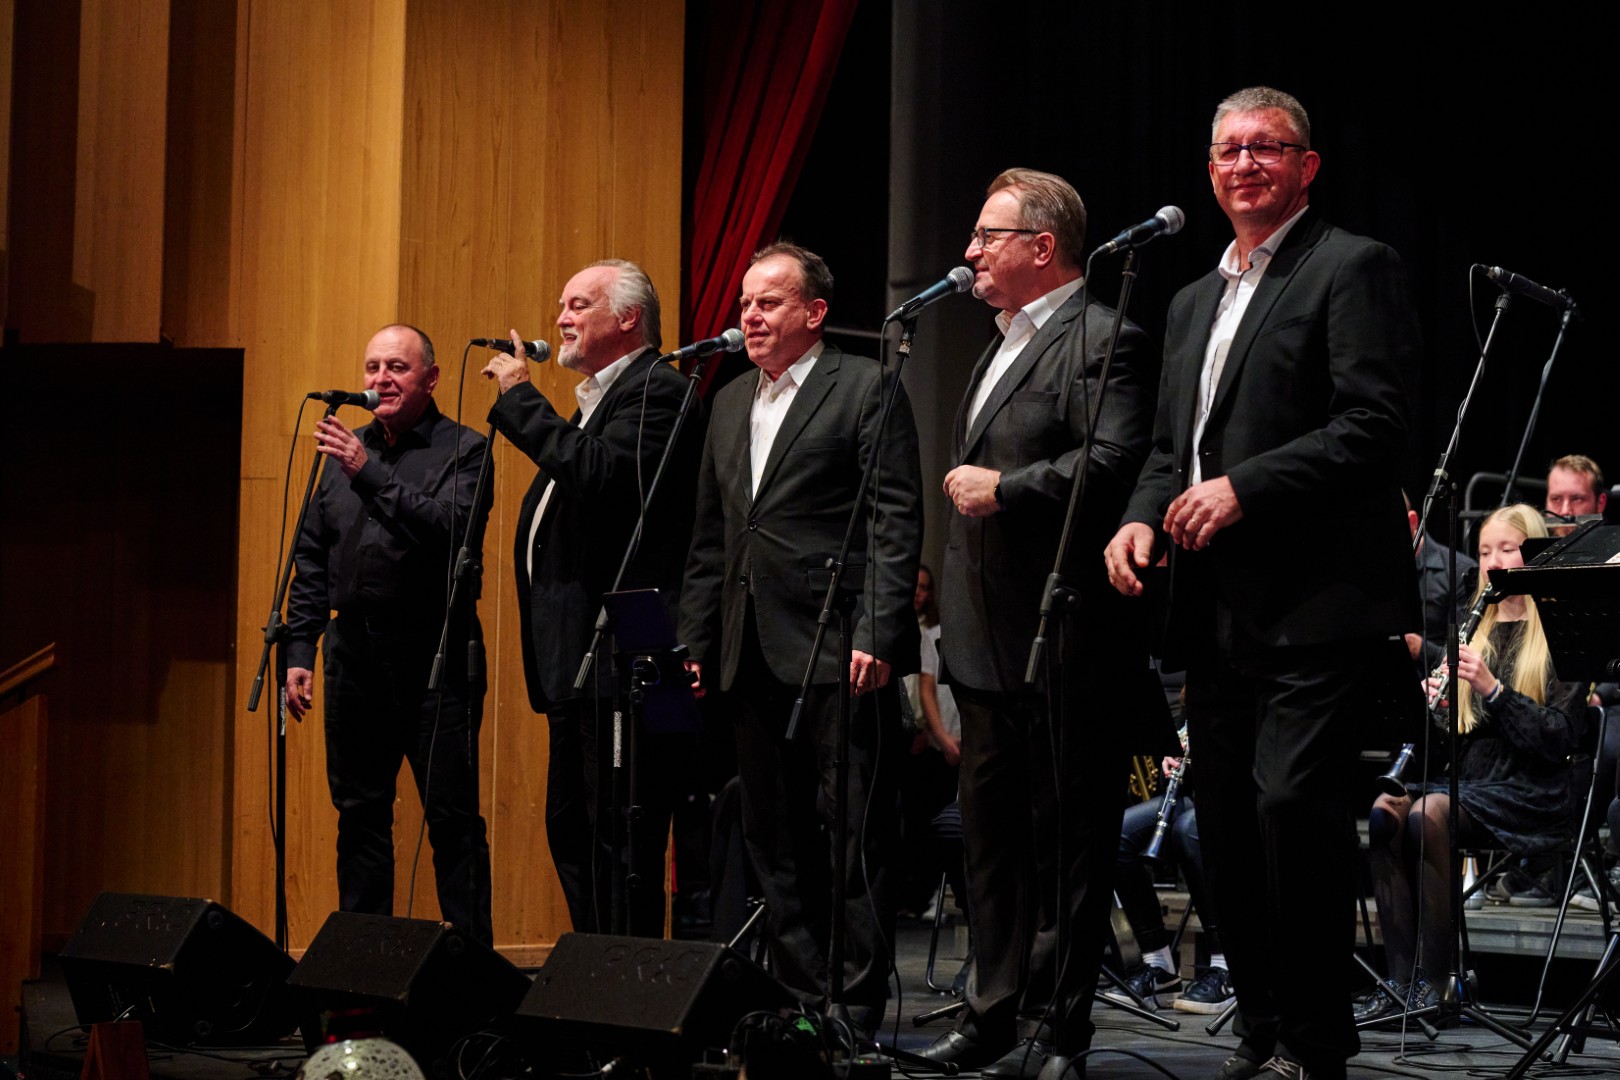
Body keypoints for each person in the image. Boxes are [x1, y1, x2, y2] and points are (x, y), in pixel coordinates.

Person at [1105, 86, 1420, 1080]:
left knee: (1291, 809)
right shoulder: (1191, 301)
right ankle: (1261, 1028)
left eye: (1267, 147)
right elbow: (1172, 448)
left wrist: (1244, 488)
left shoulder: (1351, 266)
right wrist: (1141, 514)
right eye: (1229, 151)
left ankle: (1316, 1042)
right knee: (1230, 827)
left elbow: (1372, 426)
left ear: (1306, 165)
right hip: (1214, 606)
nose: (1246, 164)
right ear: (1209, 172)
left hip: (1318, 602)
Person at [920, 168, 1165, 1079]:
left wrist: (1008, 488)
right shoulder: (994, 346)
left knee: (1069, 844)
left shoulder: (1106, 337)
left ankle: (1059, 1029)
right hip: (984, 640)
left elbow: (1113, 460)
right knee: (989, 843)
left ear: (1042, 246)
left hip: (1066, 636)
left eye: (988, 236)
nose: (971, 252)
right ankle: (991, 1016)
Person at [678, 242, 922, 1034]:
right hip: (747, 644)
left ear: (814, 313)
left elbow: (894, 519)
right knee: (770, 834)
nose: (749, 316)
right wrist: (696, 641)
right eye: (745, 303)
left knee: (852, 830)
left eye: (769, 302)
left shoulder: (865, 386)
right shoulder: (726, 402)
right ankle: (798, 997)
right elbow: (712, 536)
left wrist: (880, 629)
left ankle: (854, 1001)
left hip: (836, 641)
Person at [480, 259, 701, 936]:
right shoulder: (598, 402)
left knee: (618, 838)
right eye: (562, 305)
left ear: (628, 317)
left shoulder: (658, 390)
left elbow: (602, 476)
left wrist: (520, 400)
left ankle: (624, 975)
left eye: (579, 304)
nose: (561, 319)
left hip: (627, 658)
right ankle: (593, 970)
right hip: (577, 663)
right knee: (573, 829)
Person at [287, 323, 494, 943]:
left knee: (451, 820)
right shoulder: (344, 448)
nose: (381, 379)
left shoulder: (466, 449)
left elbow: (450, 528)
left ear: (431, 378)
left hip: (434, 656)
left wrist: (367, 472)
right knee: (359, 817)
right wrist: (299, 649)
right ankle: (363, 966)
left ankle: (472, 973)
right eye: (373, 367)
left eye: (397, 368)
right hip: (354, 657)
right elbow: (312, 557)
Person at [1361, 505, 1584, 1021]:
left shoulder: (1558, 628)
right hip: (1468, 780)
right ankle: (1400, 985)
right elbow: (1451, 739)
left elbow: (1559, 738)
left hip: (1531, 789)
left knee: (1428, 815)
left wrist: (1493, 689)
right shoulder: (1471, 623)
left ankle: (1438, 989)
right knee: (1385, 812)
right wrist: (1434, 707)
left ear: (1534, 555)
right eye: (1485, 551)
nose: (1493, 562)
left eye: (1507, 549)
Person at [1105, 744, 1234, 1017]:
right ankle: (1160, 966)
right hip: (1198, 794)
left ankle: (1227, 966)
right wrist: (1172, 755)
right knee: (1117, 836)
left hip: (1238, 795)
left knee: (1189, 830)